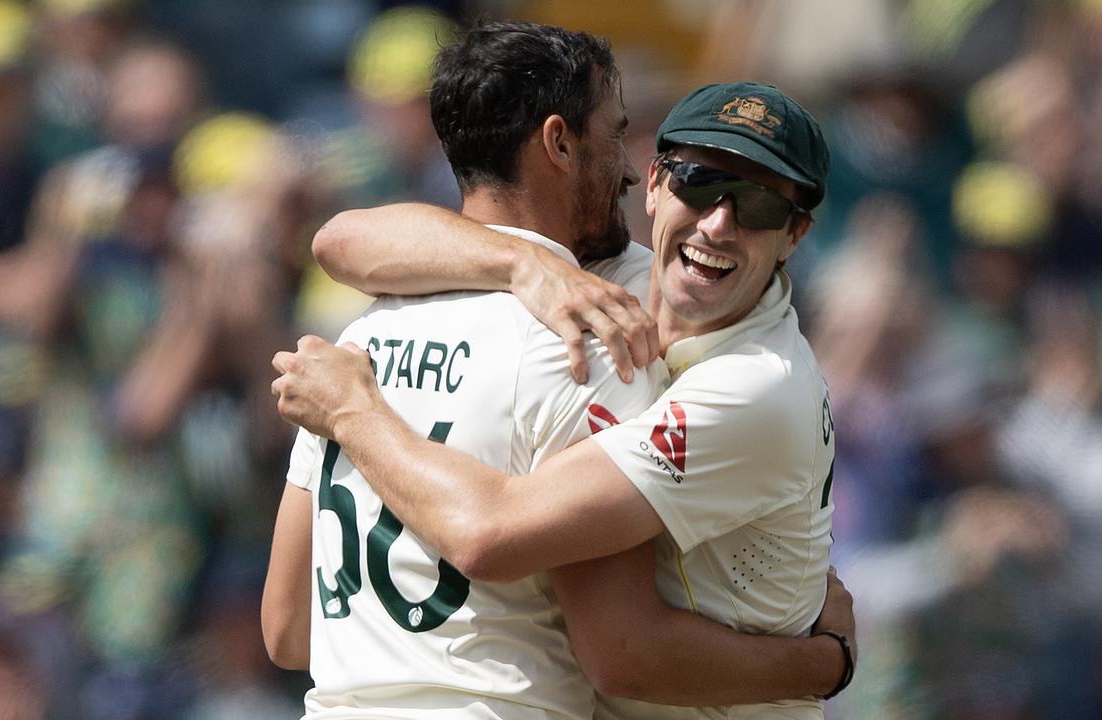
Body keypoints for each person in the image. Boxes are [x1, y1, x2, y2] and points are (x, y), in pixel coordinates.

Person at [263, 21, 854, 720]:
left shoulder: (353, 350)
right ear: (566, 146)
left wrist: (355, 412)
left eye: (758, 204)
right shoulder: (591, 329)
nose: (720, 222)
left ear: (795, 233)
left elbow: (291, 629)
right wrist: (827, 663)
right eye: (698, 181)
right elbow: (339, 240)